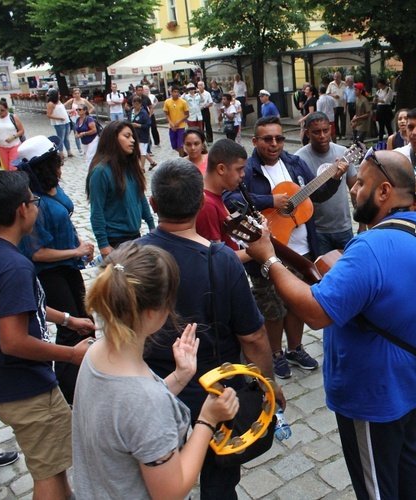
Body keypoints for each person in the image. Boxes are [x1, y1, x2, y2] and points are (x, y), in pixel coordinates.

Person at [246, 149, 416, 499]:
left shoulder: (371, 247)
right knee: (409, 470)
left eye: (361, 182)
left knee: (376, 489)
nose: (352, 189)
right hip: (413, 381)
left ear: (384, 191)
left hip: (374, 394)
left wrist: (269, 259)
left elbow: (316, 313)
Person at [139, 159, 283, 499]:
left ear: (153, 204)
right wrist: (269, 384)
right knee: (219, 483)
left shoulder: (133, 256)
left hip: (156, 390)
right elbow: (253, 336)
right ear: (202, 203)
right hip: (217, 392)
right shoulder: (221, 260)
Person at [72, 242, 240, 499]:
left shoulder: (96, 352)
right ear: (154, 311)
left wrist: (179, 377)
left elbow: (125, 416)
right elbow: (170, 491)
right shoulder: (148, 402)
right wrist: (207, 419)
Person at [0, 170, 94, 499]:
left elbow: (12, 307)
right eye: (34, 201)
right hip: (24, 386)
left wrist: (67, 320)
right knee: (48, 469)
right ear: (22, 209)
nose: (36, 206)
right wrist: (74, 354)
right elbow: (13, 340)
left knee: (54, 464)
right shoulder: (15, 266)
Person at [233, 116, 346, 380]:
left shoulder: (295, 163)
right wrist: (270, 200)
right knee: (272, 308)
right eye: (268, 139)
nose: (275, 144)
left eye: (279, 138)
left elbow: (315, 195)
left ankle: (295, 348)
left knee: (297, 303)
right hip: (266, 251)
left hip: (302, 250)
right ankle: (275, 353)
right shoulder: (248, 170)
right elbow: (232, 198)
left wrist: (334, 179)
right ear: (255, 141)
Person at [15, 135, 96, 404]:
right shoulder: (33, 202)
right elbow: (37, 252)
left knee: (86, 322)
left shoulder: (52, 188)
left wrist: (79, 244)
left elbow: (66, 216)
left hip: (69, 266)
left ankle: (90, 379)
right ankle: (72, 392)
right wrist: (75, 251)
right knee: (70, 329)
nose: (61, 167)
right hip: (50, 273)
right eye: (56, 163)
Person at [86, 121, 155, 258]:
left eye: (133, 137)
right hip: (115, 239)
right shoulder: (100, 172)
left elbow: (140, 197)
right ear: (113, 139)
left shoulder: (130, 166)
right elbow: (96, 210)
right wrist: (103, 243)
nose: (133, 140)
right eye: (127, 136)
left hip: (135, 235)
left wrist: (151, 224)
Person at [296, 112, 358, 255]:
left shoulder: (343, 153)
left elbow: (356, 190)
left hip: (344, 228)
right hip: (317, 231)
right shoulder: (299, 159)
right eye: (316, 132)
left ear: (331, 129)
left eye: (325, 130)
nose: (322, 136)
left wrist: (361, 224)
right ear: (307, 133)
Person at [196, 139, 248, 259]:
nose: (243, 174)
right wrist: (258, 249)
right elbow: (216, 259)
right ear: (221, 169)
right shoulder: (207, 205)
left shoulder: (215, 196)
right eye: (239, 169)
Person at [0, 98, 24, 171]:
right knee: (6, 168)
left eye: (2, 110)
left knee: (13, 167)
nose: (0, 112)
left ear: (7, 109)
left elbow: (21, 130)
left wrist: (13, 137)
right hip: (1, 146)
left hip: (14, 145)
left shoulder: (13, 117)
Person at [64, 88, 94, 156]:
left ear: (80, 93)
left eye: (78, 93)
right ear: (73, 94)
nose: (77, 95)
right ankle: (79, 149)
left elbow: (92, 107)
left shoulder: (84, 100)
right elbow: (63, 107)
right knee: (76, 134)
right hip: (74, 119)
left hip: (84, 119)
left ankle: (87, 147)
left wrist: (87, 113)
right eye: (75, 93)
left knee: (86, 132)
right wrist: (69, 111)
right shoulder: (72, 101)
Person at [130, 96, 155, 171]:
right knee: (140, 150)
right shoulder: (131, 111)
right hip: (134, 134)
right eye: (134, 103)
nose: (135, 105)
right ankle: (152, 162)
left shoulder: (143, 113)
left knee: (142, 151)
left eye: (137, 104)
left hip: (143, 134)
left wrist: (138, 125)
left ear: (140, 104)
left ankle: (142, 167)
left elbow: (148, 124)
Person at [46, 89, 72, 159]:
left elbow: (61, 110)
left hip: (66, 121)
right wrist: (59, 118)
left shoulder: (59, 102)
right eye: (58, 94)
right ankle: (61, 153)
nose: (59, 96)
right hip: (59, 123)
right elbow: (49, 115)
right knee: (61, 138)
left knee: (66, 138)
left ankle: (69, 151)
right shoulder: (51, 103)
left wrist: (69, 111)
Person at [163, 85, 190, 157]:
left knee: (180, 144)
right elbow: (166, 114)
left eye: (177, 92)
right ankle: (185, 155)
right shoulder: (167, 102)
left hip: (181, 126)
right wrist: (171, 123)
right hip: (172, 126)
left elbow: (187, 114)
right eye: (174, 92)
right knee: (174, 145)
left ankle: (182, 159)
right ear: (171, 92)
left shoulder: (183, 102)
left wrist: (179, 121)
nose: (176, 93)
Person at [74, 103, 99, 168]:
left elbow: (94, 130)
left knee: (89, 157)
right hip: (84, 141)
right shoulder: (78, 119)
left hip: (93, 139)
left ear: (85, 111)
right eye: (77, 109)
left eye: (79, 109)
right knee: (89, 156)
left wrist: (84, 133)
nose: (78, 111)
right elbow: (77, 129)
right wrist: (76, 133)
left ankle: (90, 171)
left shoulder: (89, 119)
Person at [327, 72, 347, 140]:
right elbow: (327, 94)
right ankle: (337, 134)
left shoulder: (344, 84)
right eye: (334, 77)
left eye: (337, 77)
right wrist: (333, 95)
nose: (335, 79)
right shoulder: (331, 84)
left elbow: (347, 94)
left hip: (342, 105)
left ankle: (343, 134)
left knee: (343, 120)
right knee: (335, 120)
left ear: (340, 77)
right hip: (334, 105)